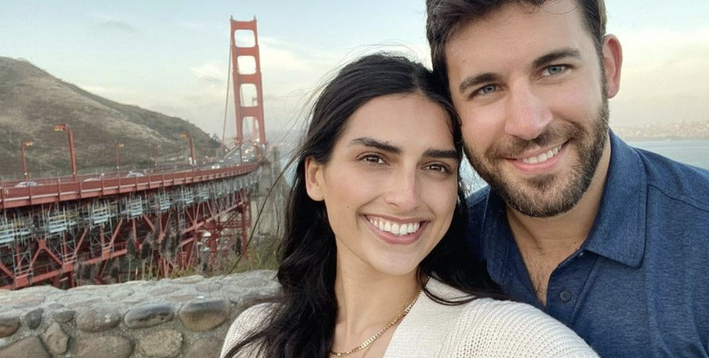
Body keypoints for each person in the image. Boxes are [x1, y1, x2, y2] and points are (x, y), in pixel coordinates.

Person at [425, 0, 709, 357]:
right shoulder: (436, 249)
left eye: (554, 69)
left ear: (608, 68)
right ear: (452, 108)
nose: (528, 124)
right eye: (486, 88)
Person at [221, 53, 597, 357]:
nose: (406, 197)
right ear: (316, 176)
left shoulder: (514, 343)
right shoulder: (254, 338)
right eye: (374, 159)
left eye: (435, 167)